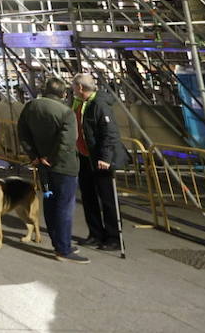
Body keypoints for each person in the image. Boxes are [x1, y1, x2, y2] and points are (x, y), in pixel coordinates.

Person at [17, 76, 87, 263]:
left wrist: (35, 156)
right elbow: (67, 142)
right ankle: (63, 249)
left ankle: (59, 243)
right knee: (64, 207)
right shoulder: (66, 113)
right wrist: (51, 158)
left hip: (42, 166)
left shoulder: (31, 107)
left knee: (49, 201)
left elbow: (22, 133)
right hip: (63, 167)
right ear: (63, 94)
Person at [72, 73, 127, 252]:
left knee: (107, 199)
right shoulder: (79, 103)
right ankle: (95, 233)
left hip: (100, 159)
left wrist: (105, 157)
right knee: (88, 197)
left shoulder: (99, 105)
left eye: (74, 86)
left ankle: (114, 237)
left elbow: (109, 133)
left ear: (80, 88)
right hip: (85, 156)